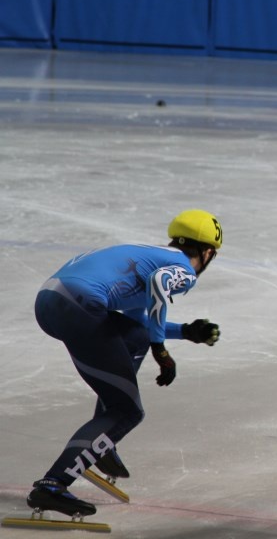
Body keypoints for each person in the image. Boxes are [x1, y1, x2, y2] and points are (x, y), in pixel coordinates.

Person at [26, 210, 223, 518]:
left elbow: (137, 326)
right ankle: (53, 484)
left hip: (51, 301)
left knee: (134, 339)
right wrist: (160, 348)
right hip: (81, 306)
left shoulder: (149, 254)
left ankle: (102, 445)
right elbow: (160, 285)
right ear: (208, 252)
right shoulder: (183, 268)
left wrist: (185, 332)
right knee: (127, 411)